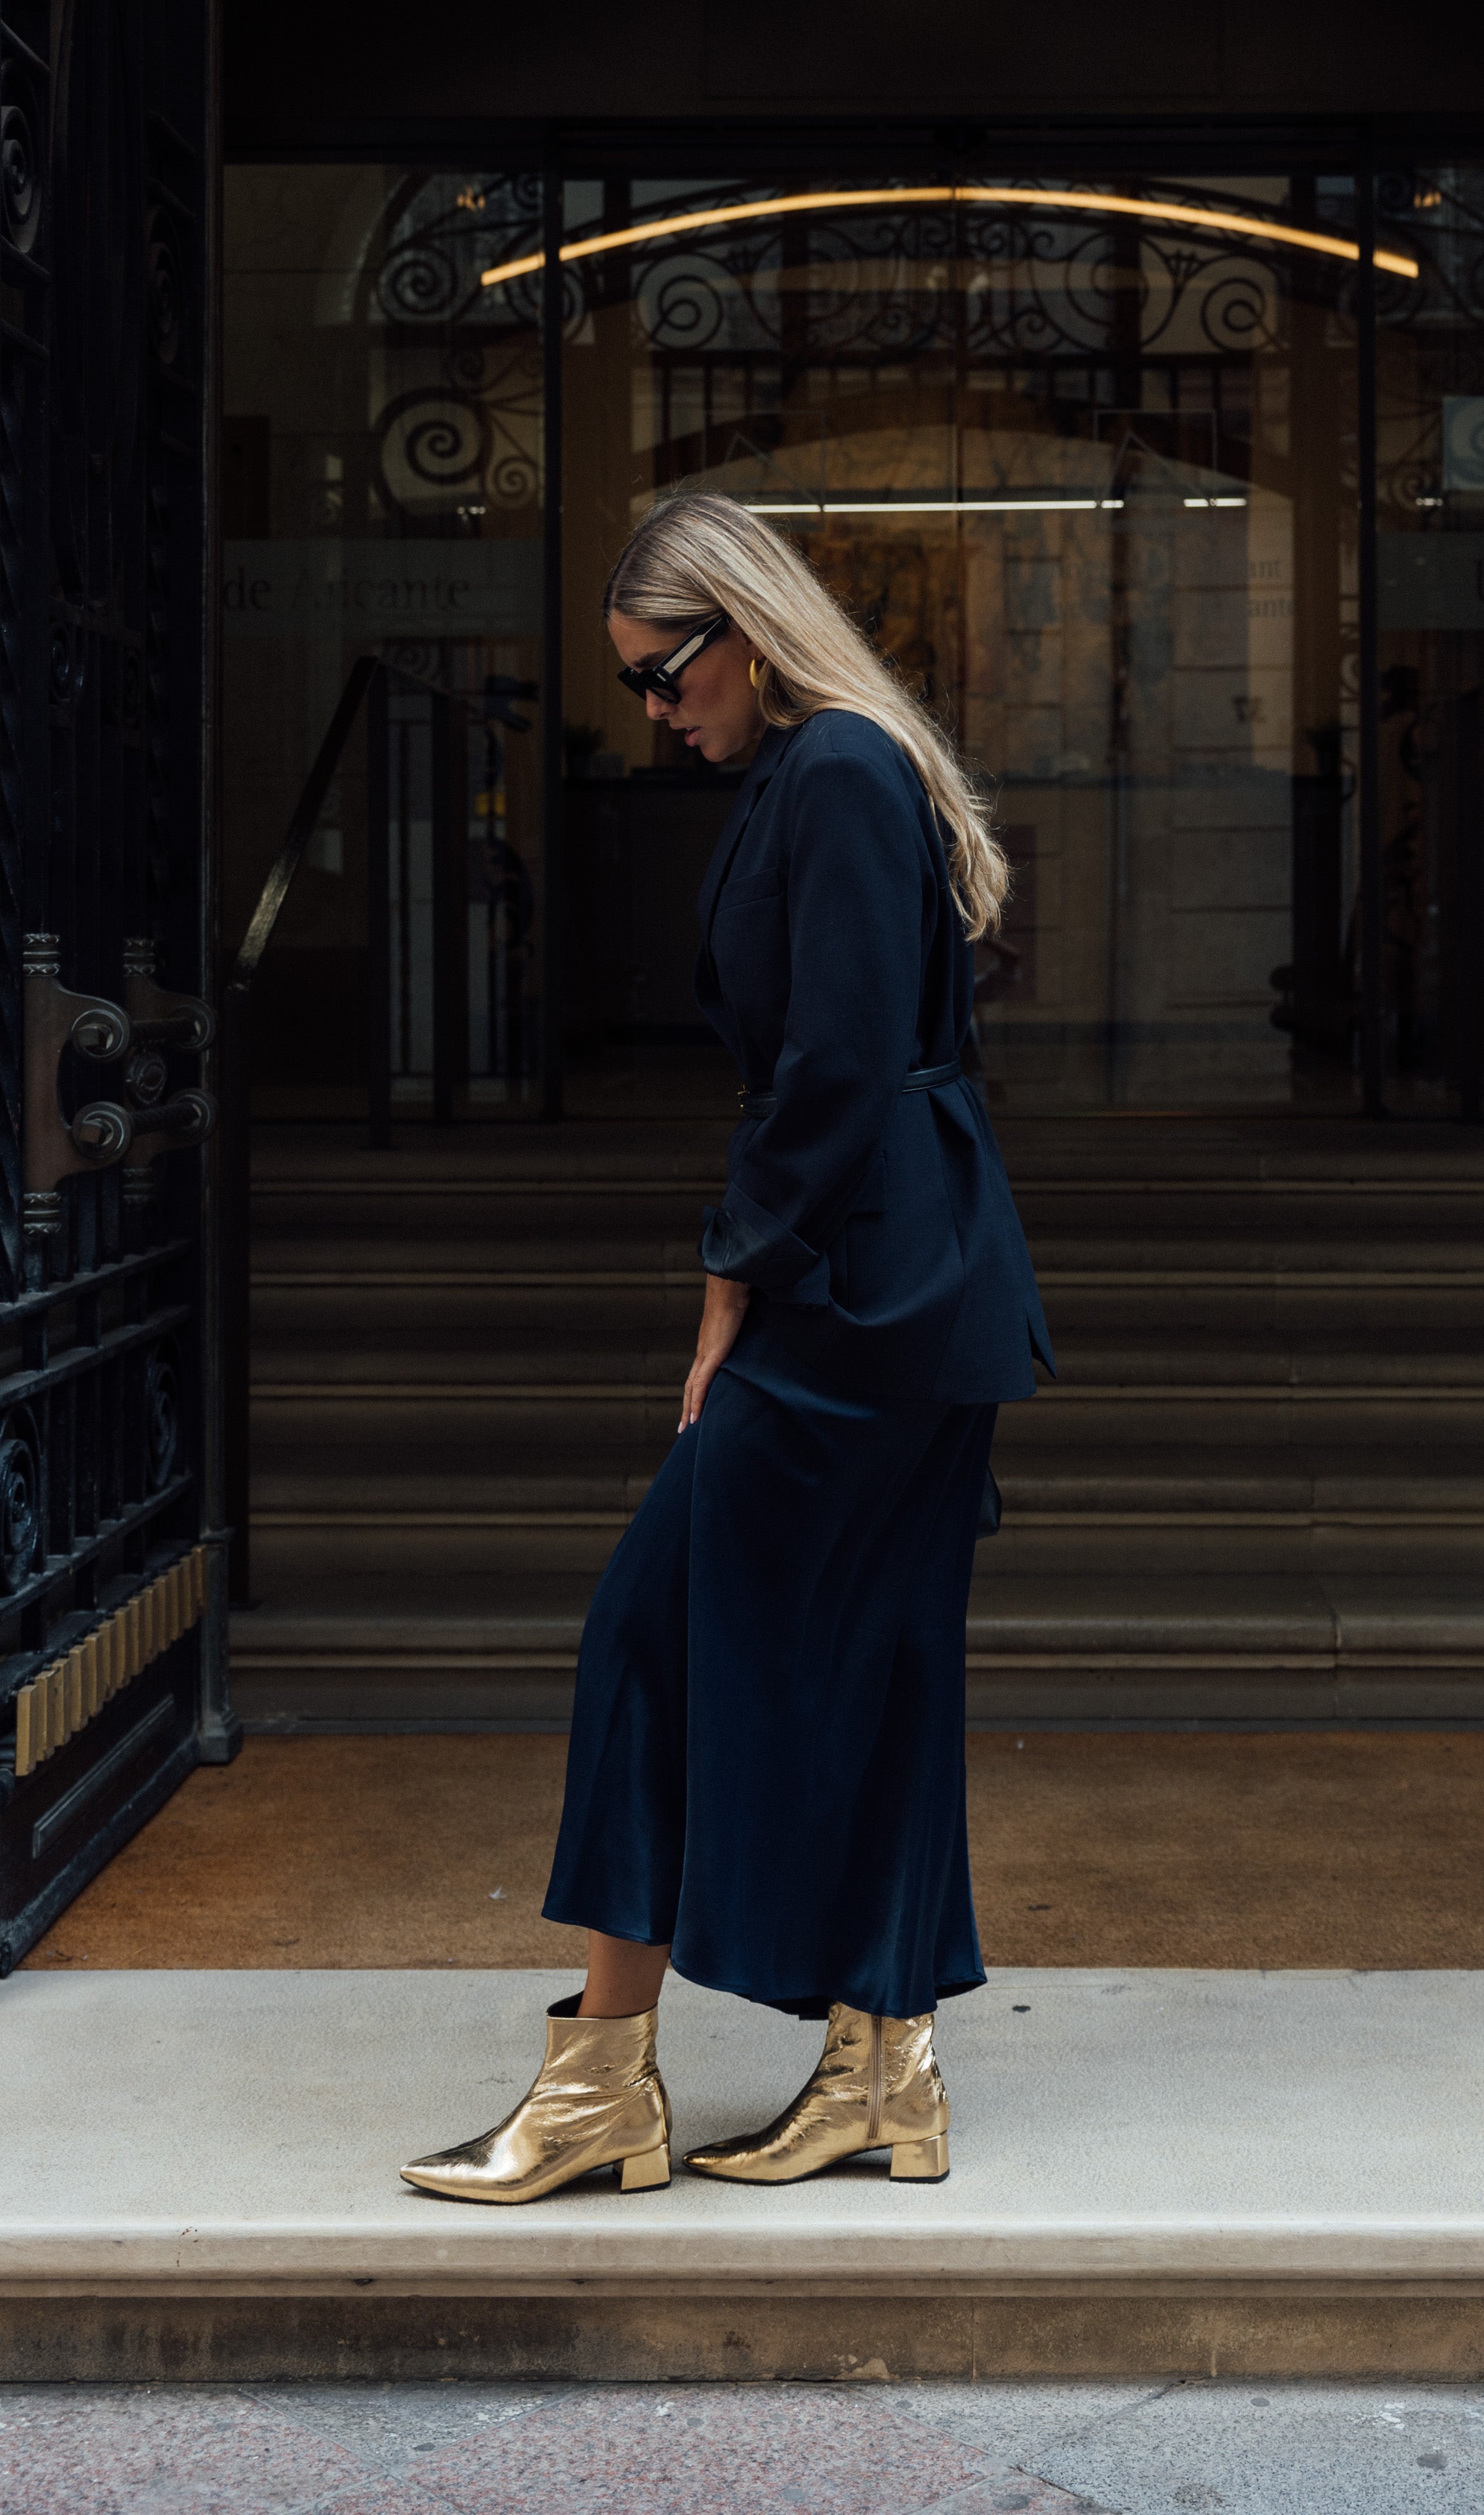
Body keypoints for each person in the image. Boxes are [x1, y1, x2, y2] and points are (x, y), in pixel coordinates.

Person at [399, 490, 1052, 2206]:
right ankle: (882, 2071)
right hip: (908, 1266)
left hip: (867, 1280)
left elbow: (832, 1070)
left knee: (646, 1625)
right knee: (885, 1653)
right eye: (635, 688)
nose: (653, 712)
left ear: (741, 634)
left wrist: (726, 1289)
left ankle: (605, 2085)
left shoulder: (834, 771)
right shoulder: (820, 770)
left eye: (661, 676)